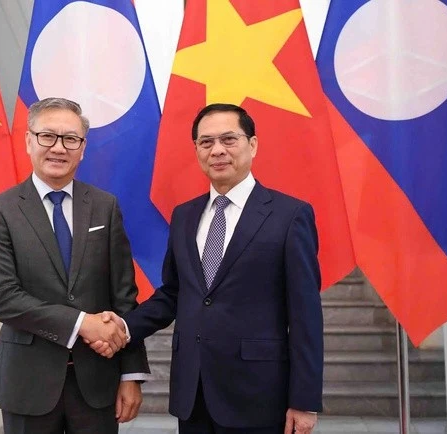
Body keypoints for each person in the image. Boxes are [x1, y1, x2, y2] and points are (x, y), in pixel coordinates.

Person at [92, 103, 323, 433]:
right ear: (197, 149)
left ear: (252, 145)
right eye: (206, 142)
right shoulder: (185, 215)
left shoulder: (289, 215)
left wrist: (304, 401)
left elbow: (306, 315)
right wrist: (123, 328)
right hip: (193, 394)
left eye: (229, 139)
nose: (217, 150)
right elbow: (174, 293)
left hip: (259, 396)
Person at [0, 97, 150, 434]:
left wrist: (131, 374)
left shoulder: (105, 207)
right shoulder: (0, 211)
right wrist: (82, 323)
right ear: (29, 141)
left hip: (98, 382)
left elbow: (124, 296)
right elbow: (2, 298)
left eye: (70, 139)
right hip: (26, 383)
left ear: (82, 148)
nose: (58, 148)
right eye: (48, 136)